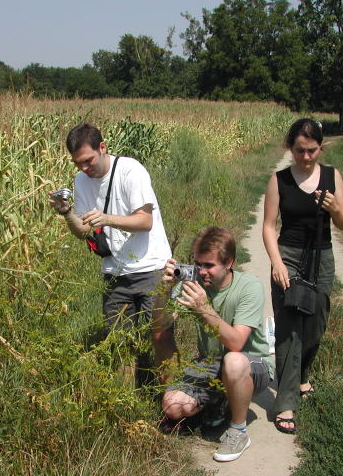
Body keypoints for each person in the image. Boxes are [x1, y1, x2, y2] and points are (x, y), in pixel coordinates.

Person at [49, 122, 175, 383]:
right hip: (115, 272)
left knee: (160, 336)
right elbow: (83, 230)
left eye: (88, 160)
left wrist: (107, 219)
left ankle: (173, 396)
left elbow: (145, 221)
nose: (84, 168)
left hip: (151, 267)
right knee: (119, 342)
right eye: (78, 163)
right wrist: (67, 212)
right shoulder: (81, 180)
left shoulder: (131, 170)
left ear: (103, 148)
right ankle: (125, 397)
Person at [157, 226, 273, 463]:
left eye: (209, 265)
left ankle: (238, 431)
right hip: (211, 363)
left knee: (233, 360)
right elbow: (161, 326)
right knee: (172, 406)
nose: (202, 272)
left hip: (251, 365)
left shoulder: (249, 286)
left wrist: (204, 308)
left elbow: (237, 343)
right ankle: (219, 401)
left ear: (229, 262)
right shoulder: (193, 283)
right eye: (197, 264)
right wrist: (164, 292)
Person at [262, 118, 343, 434]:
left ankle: (300, 374)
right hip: (288, 255)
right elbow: (268, 226)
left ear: (321, 147)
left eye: (312, 150)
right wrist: (277, 262)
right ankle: (285, 403)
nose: (306, 157)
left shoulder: (332, 176)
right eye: (300, 150)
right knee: (289, 328)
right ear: (290, 148)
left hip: (321, 257)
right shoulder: (280, 180)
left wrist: (334, 207)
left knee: (315, 323)